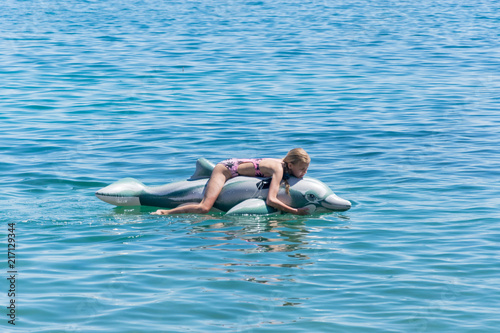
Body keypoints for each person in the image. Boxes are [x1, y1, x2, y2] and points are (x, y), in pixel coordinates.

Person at [151, 148, 312, 215]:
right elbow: (271, 199)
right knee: (205, 208)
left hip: (235, 167)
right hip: (226, 169)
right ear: (290, 165)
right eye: (302, 169)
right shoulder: (278, 169)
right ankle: (165, 212)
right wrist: (295, 211)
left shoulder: (284, 166)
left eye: (306, 169)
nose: (305, 173)